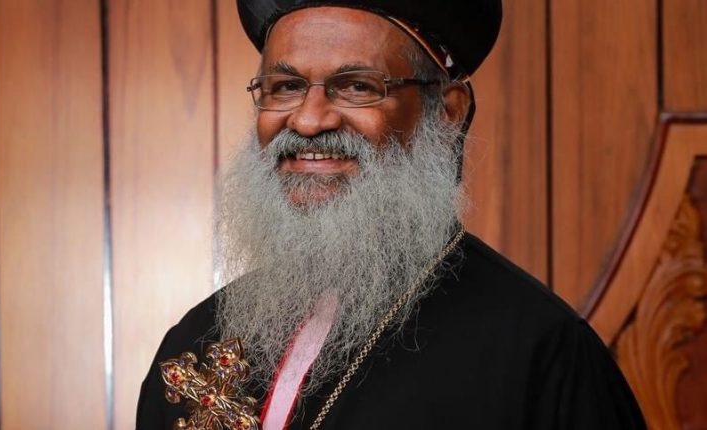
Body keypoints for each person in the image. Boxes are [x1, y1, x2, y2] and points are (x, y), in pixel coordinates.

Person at [137, 1, 646, 429]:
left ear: (447, 111)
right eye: (285, 87)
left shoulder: (540, 351)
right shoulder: (196, 342)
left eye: (357, 86)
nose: (309, 120)